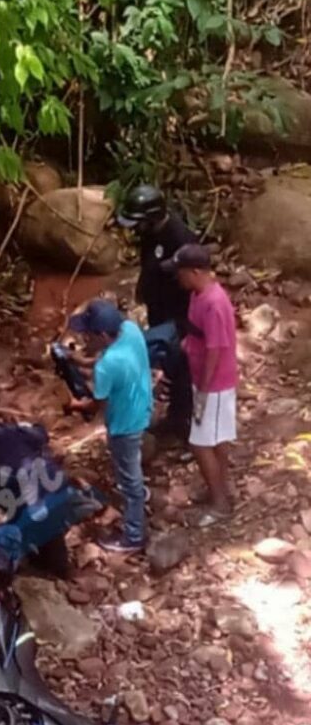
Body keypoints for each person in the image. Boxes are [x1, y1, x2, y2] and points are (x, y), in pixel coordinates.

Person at [0, 421, 102, 575]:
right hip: (53, 484)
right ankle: (58, 568)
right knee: (49, 526)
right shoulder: (2, 430)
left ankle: (11, 575)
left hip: (24, 501)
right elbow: (41, 434)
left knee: (2, 551)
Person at [161, 244, 238, 526]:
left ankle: (221, 504)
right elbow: (200, 334)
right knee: (216, 439)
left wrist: (204, 391)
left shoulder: (214, 303)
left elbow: (217, 348)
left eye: (180, 272)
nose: (177, 278)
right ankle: (220, 487)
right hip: (203, 378)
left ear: (195, 271)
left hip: (215, 384)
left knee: (199, 443)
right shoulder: (198, 295)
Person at [68, 300, 153, 553]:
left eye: (88, 334)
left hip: (123, 424)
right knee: (131, 465)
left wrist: (75, 404)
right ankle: (138, 493)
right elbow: (106, 360)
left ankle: (134, 535)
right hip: (142, 406)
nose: (84, 338)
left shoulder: (108, 366)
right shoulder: (130, 330)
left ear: (102, 335)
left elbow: (97, 405)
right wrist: (81, 362)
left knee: (129, 479)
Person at [118, 184, 197, 439]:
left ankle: (186, 425)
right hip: (159, 310)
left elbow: (194, 284)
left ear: (151, 218)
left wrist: (188, 327)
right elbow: (150, 264)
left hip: (180, 314)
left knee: (184, 368)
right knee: (169, 364)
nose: (134, 230)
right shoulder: (150, 234)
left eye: (138, 223)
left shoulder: (180, 238)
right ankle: (175, 416)